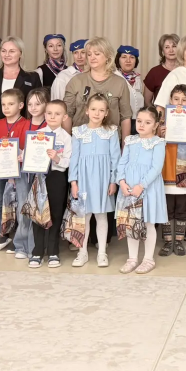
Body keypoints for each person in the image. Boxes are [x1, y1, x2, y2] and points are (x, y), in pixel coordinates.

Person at [68, 93, 121, 268]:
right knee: (83, 217)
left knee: (101, 215)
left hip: (103, 179)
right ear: (87, 111)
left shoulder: (111, 131)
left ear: (106, 113)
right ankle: (82, 252)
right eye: (93, 109)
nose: (97, 113)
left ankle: (102, 252)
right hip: (83, 179)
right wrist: (73, 182)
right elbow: (74, 158)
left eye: (101, 110)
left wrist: (113, 181)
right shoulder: (78, 132)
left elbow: (115, 158)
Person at [116, 106, 167, 275]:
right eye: (139, 121)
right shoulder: (130, 140)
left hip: (148, 188)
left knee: (148, 223)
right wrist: (121, 182)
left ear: (155, 125)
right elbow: (122, 163)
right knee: (131, 222)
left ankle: (148, 259)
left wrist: (141, 185)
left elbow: (156, 168)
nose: (142, 125)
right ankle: (132, 258)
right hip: (129, 188)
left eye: (147, 122)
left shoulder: (158, 143)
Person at [29, 99, 73, 269]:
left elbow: (68, 161)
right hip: (40, 177)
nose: (52, 117)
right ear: (44, 114)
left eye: (57, 114)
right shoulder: (37, 135)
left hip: (57, 177)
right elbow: (30, 154)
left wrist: (57, 158)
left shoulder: (67, 138)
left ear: (64, 117)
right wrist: (22, 156)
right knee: (38, 213)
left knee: (55, 213)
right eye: (49, 113)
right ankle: (37, 251)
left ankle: (53, 251)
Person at [63, 38, 133, 140]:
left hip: (110, 143)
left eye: (97, 54)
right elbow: (67, 113)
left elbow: (125, 117)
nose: (92, 57)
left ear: (108, 56)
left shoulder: (120, 83)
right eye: (89, 54)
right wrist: (67, 142)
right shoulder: (76, 81)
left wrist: (125, 145)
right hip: (80, 141)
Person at [158, 84, 186, 257]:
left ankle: (179, 241)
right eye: (176, 99)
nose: (180, 103)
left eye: (184, 100)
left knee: (182, 209)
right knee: (167, 208)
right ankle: (168, 241)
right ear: (170, 100)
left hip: (184, 172)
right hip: (165, 170)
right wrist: (159, 135)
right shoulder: (160, 122)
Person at [0, 89, 30, 249]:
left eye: (10, 104)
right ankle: (2, 234)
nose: (6, 108)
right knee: (1, 202)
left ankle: (19, 236)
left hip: (19, 171)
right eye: (3, 104)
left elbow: (26, 148)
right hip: (1, 170)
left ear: (20, 105)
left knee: (19, 203)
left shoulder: (26, 124)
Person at [13, 88, 50, 260]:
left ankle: (35, 247)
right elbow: (14, 149)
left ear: (46, 104)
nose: (33, 107)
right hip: (23, 173)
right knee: (23, 207)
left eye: (38, 104)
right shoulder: (21, 125)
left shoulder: (49, 127)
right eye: (30, 104)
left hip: (41, 173)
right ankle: (21, 245)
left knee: (38, 208)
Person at [0, 37, 42, 121]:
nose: (7, 55)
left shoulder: (32, 77)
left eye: (12, 51)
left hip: (22, 125)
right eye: (3, 51)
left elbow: (39, 105)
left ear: (21, 53)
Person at [144, 34, 179, 104]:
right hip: (159, 111)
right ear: (162, 51)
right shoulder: (154, 72)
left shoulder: (185, 71)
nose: (171, 50)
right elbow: (147, 102)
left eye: (174, 46)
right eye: (167, 47)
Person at [115, 45, 146, 117]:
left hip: (138, 120)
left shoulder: (137, 78)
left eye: (132, 57)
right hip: (121, 120)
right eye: (124, 57)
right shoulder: (114, 78)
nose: (128, 61)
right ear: (118, 60)